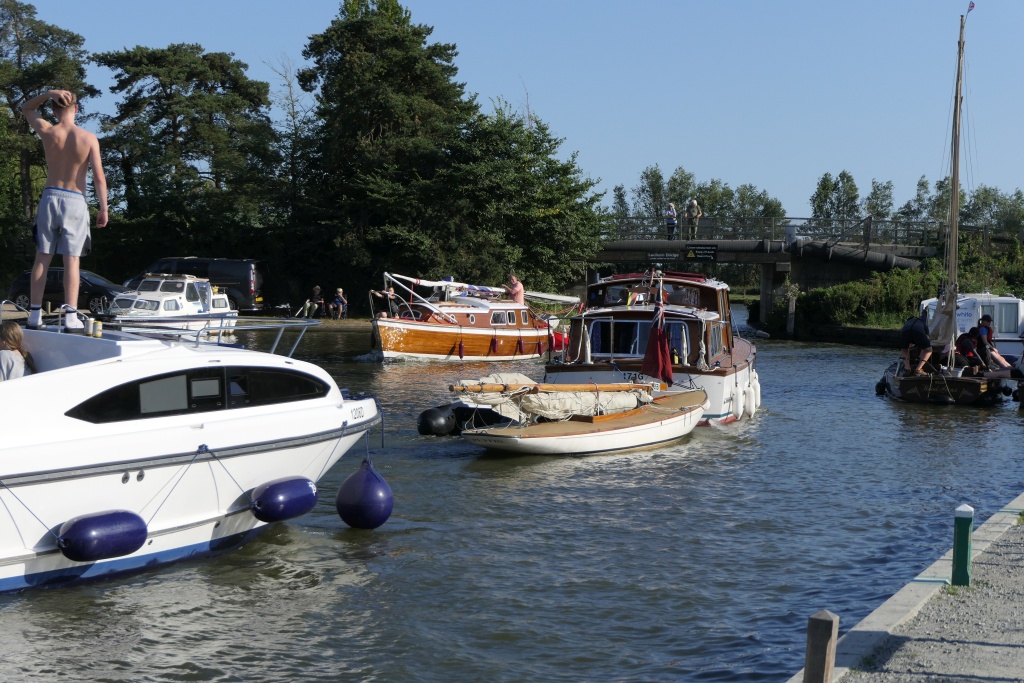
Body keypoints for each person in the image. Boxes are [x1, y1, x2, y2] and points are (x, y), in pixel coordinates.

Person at [20, 89, 108, 331]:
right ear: (76, 109)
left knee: (42, 258)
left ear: (54, 111)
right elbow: (99, 177)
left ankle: (35, 315)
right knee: (72, 260)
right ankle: (70, 315)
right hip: (75, 200)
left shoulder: (48, 131)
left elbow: (27, 108)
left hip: (50, 197)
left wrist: (48, 93)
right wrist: (104, 208)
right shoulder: (88, 138)